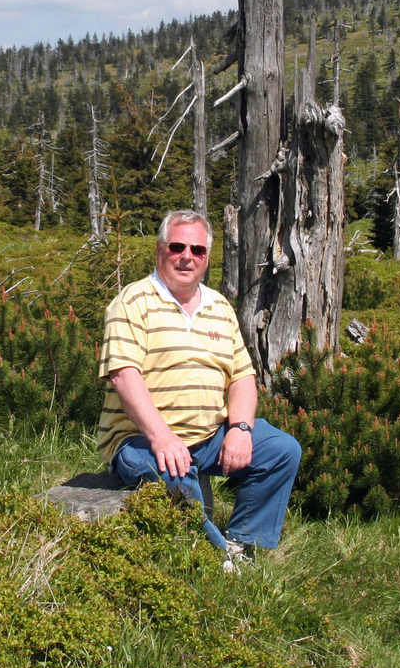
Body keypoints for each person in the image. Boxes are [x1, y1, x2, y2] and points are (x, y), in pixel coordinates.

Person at [97, 209, 301, 564]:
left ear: (207, 257)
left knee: (281, 450)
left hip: (209, 437)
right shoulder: (132, 302)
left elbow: (242, 375)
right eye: (177, 247)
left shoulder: (219, 307)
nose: (186, 257)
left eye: (198, 250)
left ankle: (242, 546)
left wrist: (239, 429)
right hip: (141, 438)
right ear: (160, 250)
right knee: (176, 476)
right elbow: (123, 375)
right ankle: (214, 560)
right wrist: (161, 437)